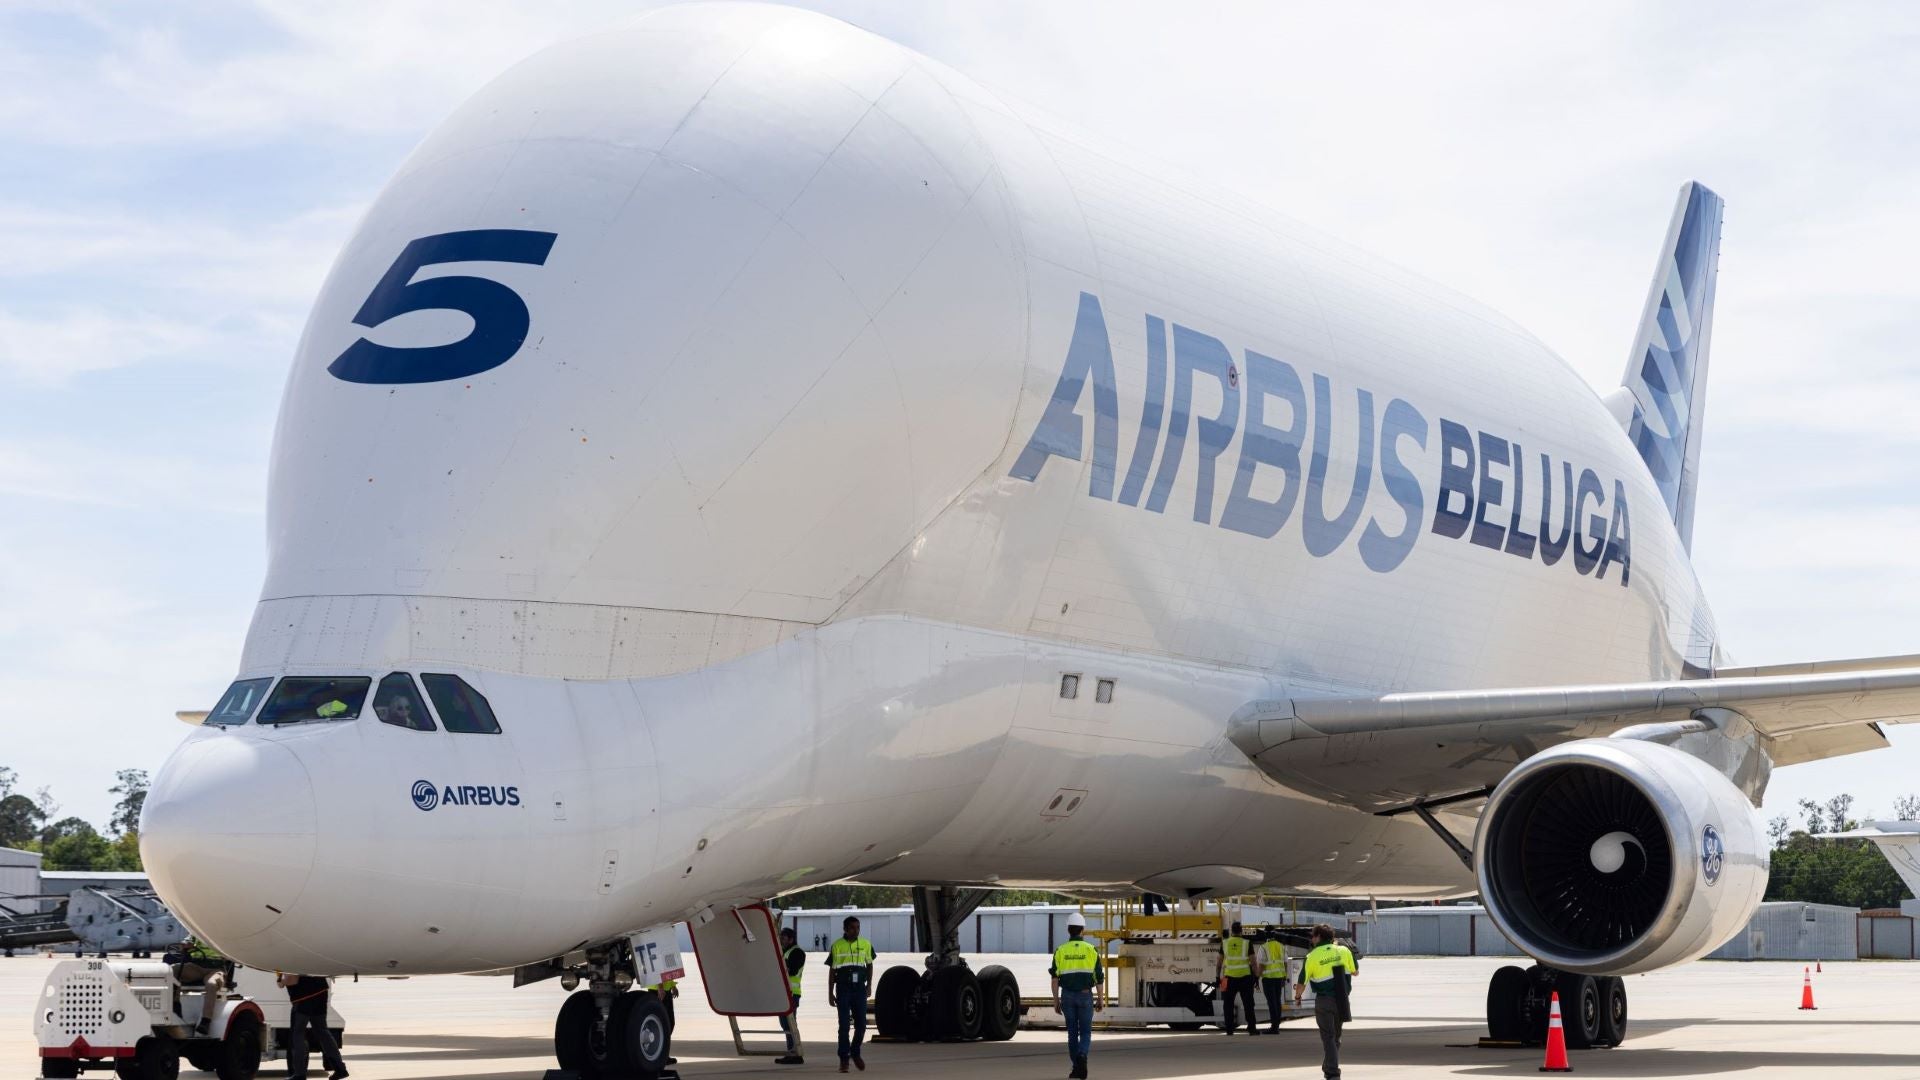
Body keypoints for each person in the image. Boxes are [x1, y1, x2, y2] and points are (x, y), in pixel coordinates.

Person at [1294, 924, 1358, 1080]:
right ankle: (1329, 1066)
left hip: (1324, 1001)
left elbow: (1302, 982)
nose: (1312, 939)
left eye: (1312, 936)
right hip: (1342, 1000)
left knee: (1328, 1037)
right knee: (1336, 1037)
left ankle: (1333, 1072)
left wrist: (1297, 997)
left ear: (1318, 937)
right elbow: (1355, 972)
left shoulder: (1312, 956)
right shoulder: (1344, 950)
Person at [1050, 911, 1104, 1079]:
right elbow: (1099, 978)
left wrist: (1056, 1000)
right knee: (1086, 1032)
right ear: (1082, 930)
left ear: (1068, 930)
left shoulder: (1060, 950)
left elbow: (1054, 979)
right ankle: (1082, 1056)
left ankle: (1076, 1068)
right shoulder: (1091, 950)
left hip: (1067, 996)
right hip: (1085, 996)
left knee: (1072, 1033)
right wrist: (1101, 998)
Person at [826, 916, 874, 1073]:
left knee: (861, 1025)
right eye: (853, 928)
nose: (856, 930)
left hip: (859, 988)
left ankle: (855, 1051)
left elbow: (869, 965)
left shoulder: (866, 944)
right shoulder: (837, 945)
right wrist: (830, 992)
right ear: (845, 929)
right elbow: (832, 970)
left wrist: (869, 986)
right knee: (844, 1026)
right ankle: (844, 1059)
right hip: (843, 989)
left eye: (858, 927)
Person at [278, 972, 347, 1080]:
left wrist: (280, 981)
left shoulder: (289, 956)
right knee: (323, 1032)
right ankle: (340, 1069)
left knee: (298, 1034)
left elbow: (292, 979)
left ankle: (299, 1074)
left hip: (303, 998)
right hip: (320, 991)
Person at [166, 936, 230, 1035]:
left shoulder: (221, 933)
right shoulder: (197, 930)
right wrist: (186, 944)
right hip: (197, 967)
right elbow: (187, 940)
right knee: (171, 970)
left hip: (216, 969)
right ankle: (176, 1006)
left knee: (211, 984)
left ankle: (206, 1021)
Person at [1217, 922, 1257, 1035]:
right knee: (1248, 1004)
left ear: (1231, 931)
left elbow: (1219, 962)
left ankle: (1229, 1029)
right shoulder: (1247, 943)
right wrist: (1256, 977)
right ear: (1241, 931)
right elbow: (1253, 962)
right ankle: (1252, 1028)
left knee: (1228, 1004)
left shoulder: (1224, 943)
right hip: (1245, 977)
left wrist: (1217, 976)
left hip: (1229, 978)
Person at [775, 926, 807, 1066]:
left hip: (792, 993)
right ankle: (792, 1052)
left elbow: (792, 971)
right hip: (783, 992)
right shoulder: (784, 951)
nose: (781, 940)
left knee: (790, 1024)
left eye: (783, 938)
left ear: (791, 939)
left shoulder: (797, 952)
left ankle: (795, 1053)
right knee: (785, 1024)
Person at [1259, 931, 1290, 1033]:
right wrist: (1284, 976)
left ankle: (1274, 1027)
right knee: (1277, 1001)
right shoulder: (1281, 946)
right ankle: (1276, 1025)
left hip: (1268, 978)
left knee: (1271, 1003)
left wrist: (1256, 977)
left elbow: (1262, 964)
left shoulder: (1263, 947)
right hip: (1279, 977)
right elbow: (1285, 962)